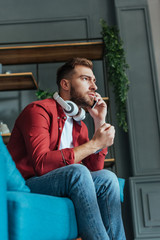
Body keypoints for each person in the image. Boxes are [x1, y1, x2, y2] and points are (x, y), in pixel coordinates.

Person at [7, 58, 126, 240]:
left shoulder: (80, 125)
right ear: (65, 84)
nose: (94, 86)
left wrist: (99, 121)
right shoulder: (38, 111)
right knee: (77, 172)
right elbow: (41, 164)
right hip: (30, 183)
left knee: (108, 178)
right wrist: (94, 144)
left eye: (94, 80)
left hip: (64, 181)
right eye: (86, 79)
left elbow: (93, 172)